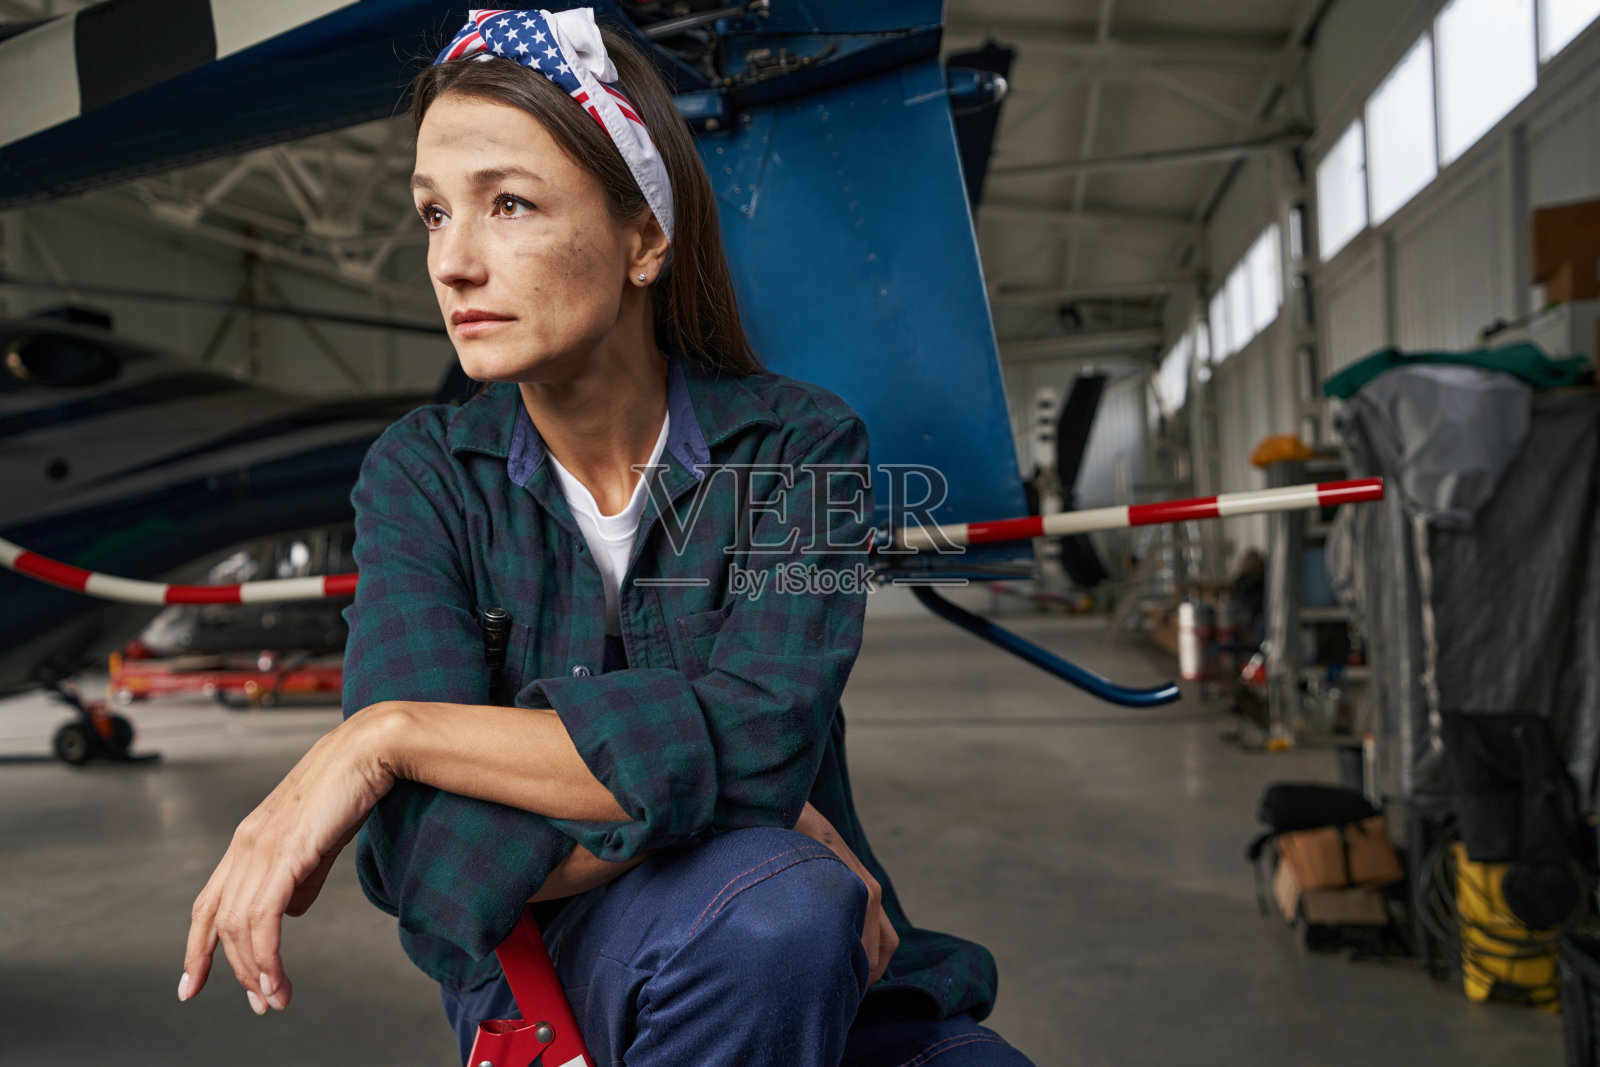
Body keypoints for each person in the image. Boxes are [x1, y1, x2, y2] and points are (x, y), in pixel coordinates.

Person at [178, 9, 1034, 1066]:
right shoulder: (422, 474)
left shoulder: (804, 446)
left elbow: (765, 743)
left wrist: (388, 735)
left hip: (842, 967)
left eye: (508, 204)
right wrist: (736, 818)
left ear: (644, 237)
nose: (453, 261)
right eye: (434, 213)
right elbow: (420, 860)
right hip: (571, 982)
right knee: (774, 912)